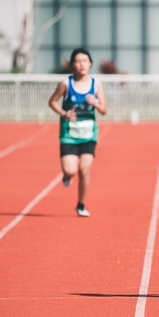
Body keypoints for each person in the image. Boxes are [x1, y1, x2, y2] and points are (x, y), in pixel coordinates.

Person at [48, 48, 107, 217]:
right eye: (78, 61)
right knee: (70, 170)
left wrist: (95, 103)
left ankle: (81, 205)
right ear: (72, 64)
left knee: (84, 170)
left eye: (85, 61)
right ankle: (67, 176)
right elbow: (52, 101)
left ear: (90, 64)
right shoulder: (66, 84)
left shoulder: (96, 84)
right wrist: (63, 113)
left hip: (88, 135)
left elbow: (104, 110)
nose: (82, 64)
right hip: (69, 135)